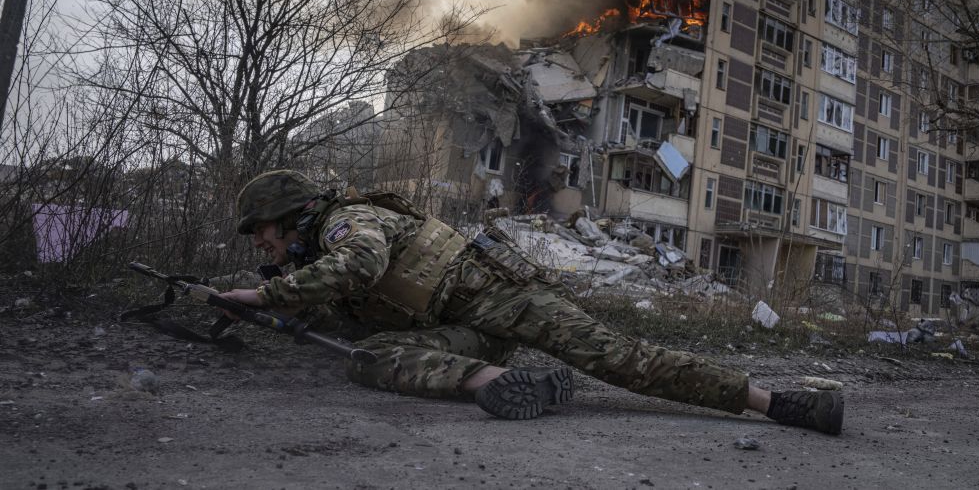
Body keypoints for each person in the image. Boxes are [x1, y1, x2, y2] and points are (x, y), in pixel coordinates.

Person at [219, 170, 844, 434]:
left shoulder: (344, 224)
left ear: (290, 216)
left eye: (264, 232)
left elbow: (362, 263)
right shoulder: (314, 255)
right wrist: (262, 308)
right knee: (367, 356)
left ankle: (781, 403)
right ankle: (508, 382)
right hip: (467, 333)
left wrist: (266, 292)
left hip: (508, 302)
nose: (264, 245)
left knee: (627, 361)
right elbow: (346, 309)